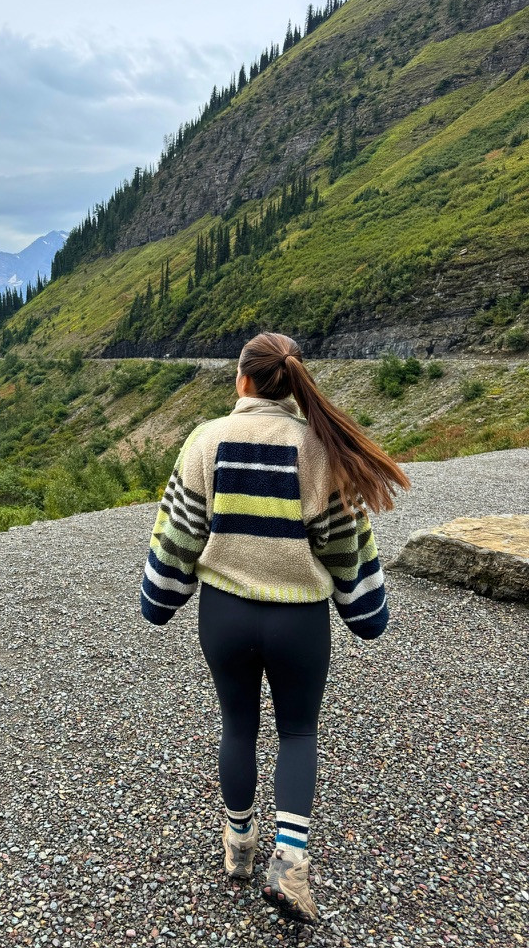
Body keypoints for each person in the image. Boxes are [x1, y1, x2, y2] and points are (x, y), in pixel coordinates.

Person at [139, 332, 410, 924]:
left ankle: (238, 848)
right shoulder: (318, 449)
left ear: (243, 380)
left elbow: (178, 536)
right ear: (292, 382)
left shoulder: (205, 441)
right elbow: (348, 551)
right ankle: (289, 868)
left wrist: (158, 600)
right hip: (299, 621)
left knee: (237, 723)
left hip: (225, 614)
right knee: (297, 734)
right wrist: (368, 613)